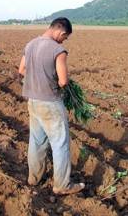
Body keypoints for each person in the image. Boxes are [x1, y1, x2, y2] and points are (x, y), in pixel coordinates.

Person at [18, 17, 85, 195]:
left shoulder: (31, 44)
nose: (64, 40)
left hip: (33, 101)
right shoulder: (58, 50)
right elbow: (63, 81)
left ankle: (34, 178)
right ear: (61, 32)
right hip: (50, 103)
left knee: (37, 141)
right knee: (60, 144)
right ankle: (62, 185)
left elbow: (21, 70)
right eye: (65, 37)